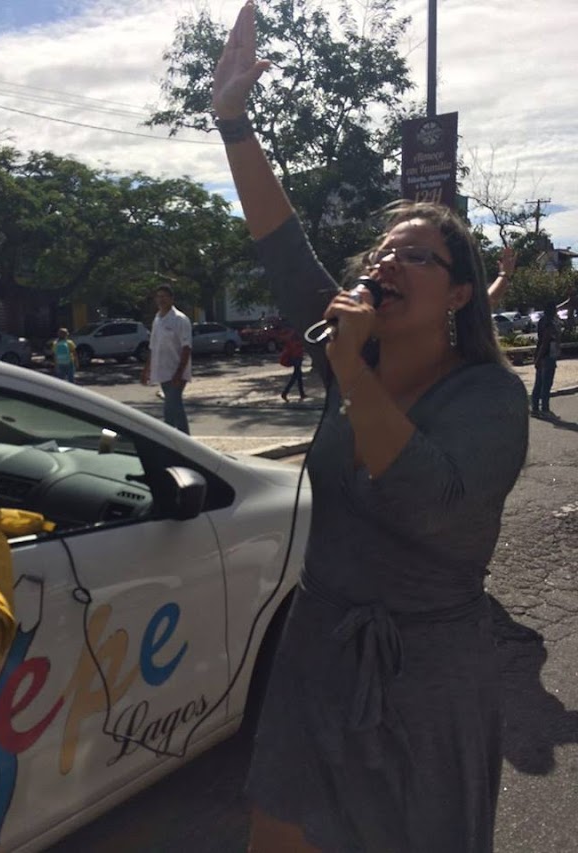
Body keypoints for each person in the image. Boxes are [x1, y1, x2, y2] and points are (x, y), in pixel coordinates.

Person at [212, 5, 529, 852]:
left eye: (415, 254)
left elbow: (425, 497)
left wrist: (352, 370)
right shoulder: (350, 346)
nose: (387, 260)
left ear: (461, 294)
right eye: (382, 250)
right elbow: (282, 244)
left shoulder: (490, 398)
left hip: (426, 675)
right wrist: (233, 120)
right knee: (277, 834)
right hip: (319, 651)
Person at [140, 284, 192, 434]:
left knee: (171, 407)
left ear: (171, 298)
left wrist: (179, 372)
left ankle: (181, 440)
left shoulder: (180, 319)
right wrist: (146, 369)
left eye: (164, 296)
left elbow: (186, 347)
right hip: (162, 371)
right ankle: (177, 440)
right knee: (173, 407)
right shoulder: (157, 319)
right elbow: (153, 346)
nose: (161, 299)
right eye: (159, 296)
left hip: (176, 371)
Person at [531, 300, 561, 417]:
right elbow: (545, 341)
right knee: (546, 383)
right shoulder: (549, 323)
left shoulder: (543, 320)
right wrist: (538, 357)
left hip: (543, 354)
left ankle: (535, 408)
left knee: (538, 382)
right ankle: (544, 409)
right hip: (547, 355)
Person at [279, 329, 306, 401]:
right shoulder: (295, 334)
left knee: (299, 376)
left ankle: (302, 393)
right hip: (296, 356)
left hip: (296, 356)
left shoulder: (292, 333)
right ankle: (285, 393)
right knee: (295, 376)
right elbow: (297, 344)